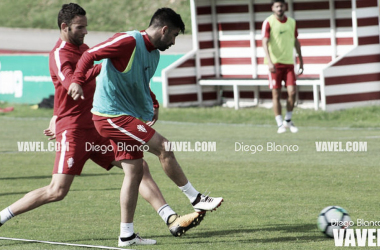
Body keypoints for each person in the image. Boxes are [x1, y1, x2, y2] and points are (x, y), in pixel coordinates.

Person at [0, 3, 206, 247]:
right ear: (64, 27)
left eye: (86, 26)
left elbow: (100, 70)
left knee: (138, 167)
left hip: (100, 127)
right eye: (80, 27)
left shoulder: (84, 48)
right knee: (57, 190)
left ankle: (169, 218)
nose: (85, 32)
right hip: (74, 131)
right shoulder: (60, 54)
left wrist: (114, 67)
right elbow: (70, 83)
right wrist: (59, 114)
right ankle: (2, 216)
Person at [68, 7, 224, 247]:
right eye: (173, 36)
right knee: (164, 147)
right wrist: (77, 81)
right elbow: (91, 56)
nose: (173, 42)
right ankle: (196, 198)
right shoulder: (128, 40)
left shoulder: (154, 55)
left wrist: (153, 102)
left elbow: (140, 82)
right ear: (164, 30)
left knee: (134, 173)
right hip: (110, 116)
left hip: (123, 116)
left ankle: (126, 235)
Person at [262, 0, 304, 134]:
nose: (279, 8)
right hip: (275, 65)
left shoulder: (292, 22)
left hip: (289, 64)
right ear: (272, 8)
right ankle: (279, 123)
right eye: (277, 6)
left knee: (292, 92)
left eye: (281, 6)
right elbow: (264, 42)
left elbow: (296, 42)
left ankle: (288, 120)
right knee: (276, 94)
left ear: (285, 7)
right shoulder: (268, 22)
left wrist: (301, 60)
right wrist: (269, 62)